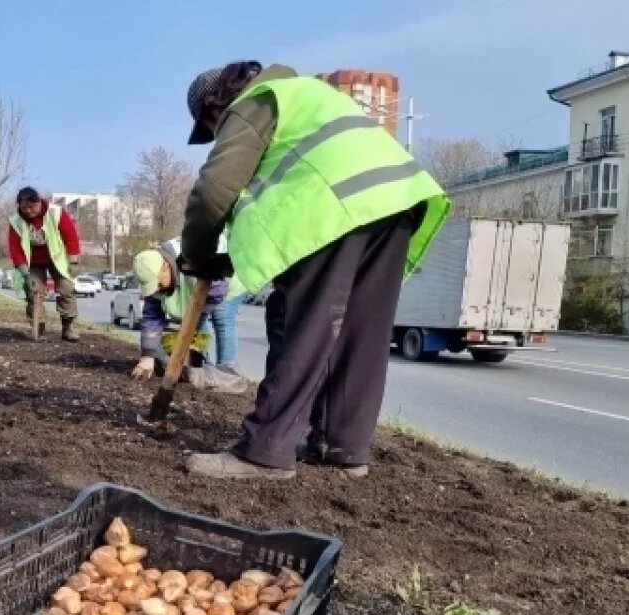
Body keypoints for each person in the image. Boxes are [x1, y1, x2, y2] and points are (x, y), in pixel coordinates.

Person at [178, 61, 449, 480]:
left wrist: (196, 255)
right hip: (394, 204)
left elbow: (215, 189)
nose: (216, 136)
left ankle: (265, 452)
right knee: (359, 334)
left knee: (298, 324)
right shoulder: (310, 94)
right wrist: (228, 260)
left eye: (212, 129)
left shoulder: (256, 101)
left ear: (215, 106)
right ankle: (342, 448)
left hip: (332, 210)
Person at [129, 246, 246, 394]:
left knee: (222, 317)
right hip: (201, 285)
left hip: (225, 281)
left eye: (158, 284)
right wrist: (147, 356)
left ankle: (228, 375)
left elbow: (216, 291)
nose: (157, 289)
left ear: (166, 267)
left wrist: (194, 316)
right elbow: (152, 317)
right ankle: (200, 369)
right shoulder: (154, 274)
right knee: (195, 325)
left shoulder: (192, 261)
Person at [8, 187, 82, 341]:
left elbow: (71, 236)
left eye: (31, 207)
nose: (28, 211)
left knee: (67, 289)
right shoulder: (16, 221)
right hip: (33, 262)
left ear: (38, 202)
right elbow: (15, 248)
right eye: (24, 208)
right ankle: (38, 328)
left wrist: (73, 261)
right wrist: (25, 273)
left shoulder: (56, 212)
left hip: (57, 258)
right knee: (33, 291)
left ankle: (67, 328)